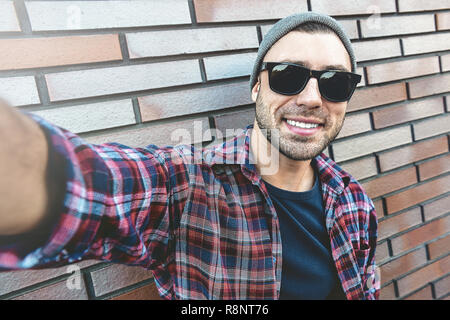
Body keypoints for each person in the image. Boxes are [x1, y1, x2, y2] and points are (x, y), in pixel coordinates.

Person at [0, 12, 379, 300]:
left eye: (335, 82)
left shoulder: (353, 203)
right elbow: (84, 186)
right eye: (287, 75)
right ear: (256, 88)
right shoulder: (186, 184)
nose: (312, 98)